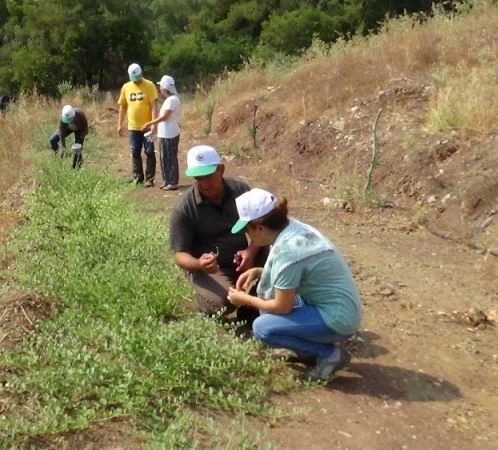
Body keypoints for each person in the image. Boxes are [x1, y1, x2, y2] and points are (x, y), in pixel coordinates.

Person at [226, 188, 362, 381]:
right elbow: (295, 276)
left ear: (260, 228)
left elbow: (281, 306)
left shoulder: (287, 252)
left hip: (338, 318)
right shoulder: (292, 229)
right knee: (274, 307)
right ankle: (306, 351)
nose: (249, 237)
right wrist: (259, 271)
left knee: (263, 327)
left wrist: (246, 299)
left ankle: (328, 354)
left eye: (247, 231)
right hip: (341, 307)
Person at [169, 145, 266, 325]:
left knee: (280, 257)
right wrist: (200, 263)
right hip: (210, 269)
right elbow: (179, 255)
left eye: (208, 176)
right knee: (223, 304)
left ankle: (252, 303)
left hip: (243, 259)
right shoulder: (184, 208)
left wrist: (251, 252)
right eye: (198, 178)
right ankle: (205, 293)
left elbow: (263, 226)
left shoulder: (240, 190)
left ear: (221, 170)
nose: (204, 184)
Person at [117, 63, 158, 187]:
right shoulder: (126, 87)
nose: (136, 81)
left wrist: (154, 123)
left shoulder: (150, 86)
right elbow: (123, 106)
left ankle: (150, 179)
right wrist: (119, 124)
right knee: (135, 151)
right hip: (133, 128)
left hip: (147, 127)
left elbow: (154, 105)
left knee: (149, 151)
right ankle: (137, 177)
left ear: (141, 73)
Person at [143, 75, 181, 191]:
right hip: (166, 133)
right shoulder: (170, 100)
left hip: (170, 133)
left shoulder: (172, 100)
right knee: (164, 157)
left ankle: (172, 181)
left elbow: (164, 117)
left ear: (165, 88)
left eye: (161, 87)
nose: (160, 89)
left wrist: (150, 123)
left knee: (170, 157)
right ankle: (167, 180)